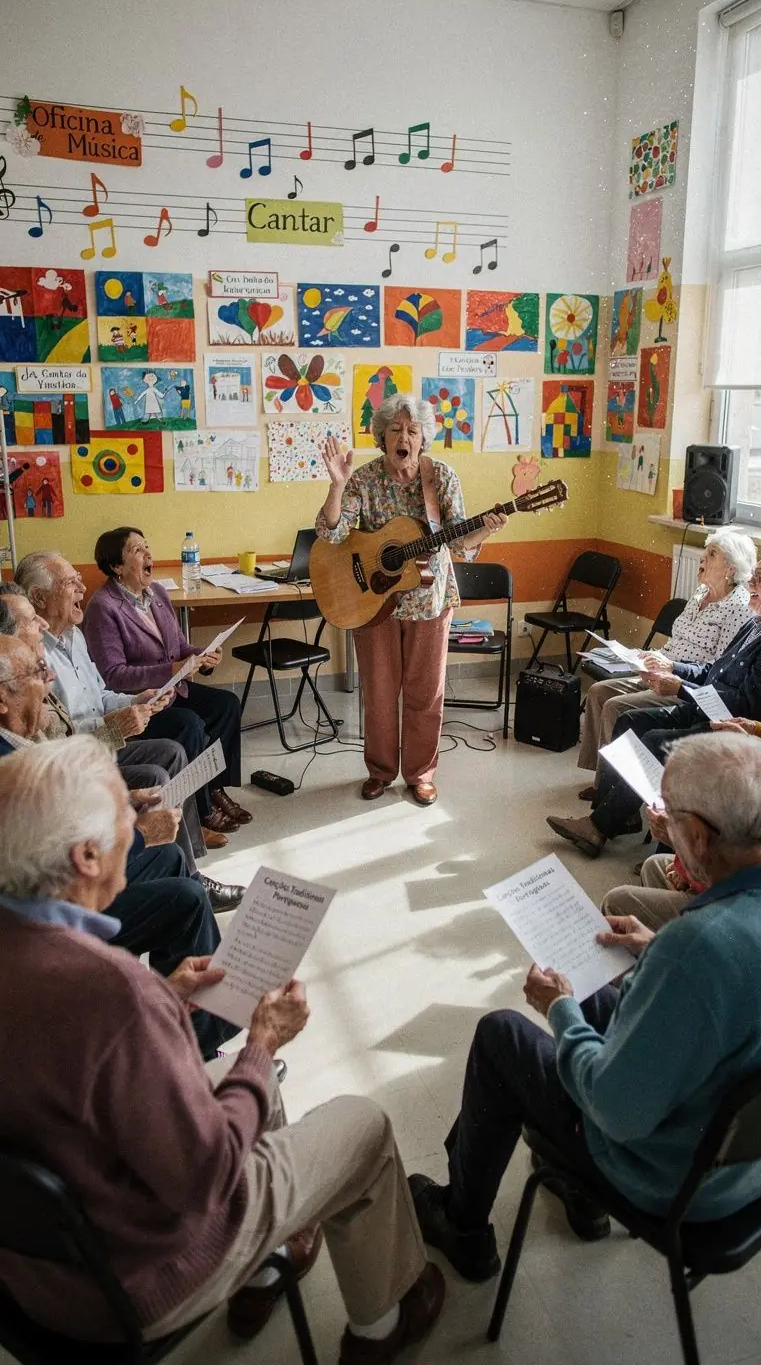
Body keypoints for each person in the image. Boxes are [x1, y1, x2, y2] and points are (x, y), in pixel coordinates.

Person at [0, 736, 444, 1357]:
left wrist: (165, 998)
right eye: (123, 813)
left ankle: (269, 1264)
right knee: (359, 1125)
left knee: (236, 1073)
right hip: (137, 1279)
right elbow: (205, 1177)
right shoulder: (112, 992)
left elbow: (63, 1061)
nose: (139, 822)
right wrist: (263, 1042)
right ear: (87, 856)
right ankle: (383, 1326)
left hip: (29, 1277)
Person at [409, 733, 761, 1279]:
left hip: (676, 1179)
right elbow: (756, 991)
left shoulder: (697, 947)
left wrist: (559, 1010)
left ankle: (463, 1224)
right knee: (600, 989)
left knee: (502, 1034)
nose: (660, 824)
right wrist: (655, 950)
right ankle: (582, 1200)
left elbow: (614, 1109)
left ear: (696, 835)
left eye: (667, 816)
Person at [0, 644, 240, 1058]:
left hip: (55, 881)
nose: (50, 677)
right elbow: (60, 865)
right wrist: (139, 831)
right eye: (39, 671)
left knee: (172, 859)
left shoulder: (16, 739)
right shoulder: (8, 764)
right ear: (3, 697)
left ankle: (196, 1028)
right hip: (41, 920)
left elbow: (61, 807)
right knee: (185, 900)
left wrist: (124, 804)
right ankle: (198, 1052)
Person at [548, 548, 761, 858]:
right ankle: (617, 814)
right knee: (629, 720)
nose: (751, 583)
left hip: (731, 725)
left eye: (760, 578)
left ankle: (601, 826)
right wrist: (674, 669)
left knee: (655, 742)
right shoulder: (758, 622)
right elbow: (714, 670)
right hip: (707, 707)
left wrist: (681, 688)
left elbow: (748, 705)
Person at [317, 393, 507, 806]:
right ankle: (380, 772)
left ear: (424, 438)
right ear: (381, 436)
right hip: (373, 604)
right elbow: (332, 533)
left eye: (412, 430)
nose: (404, 437)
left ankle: (421, 773)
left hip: (430, 602)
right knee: (379, 694)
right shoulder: (363, 480)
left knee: (426, 693)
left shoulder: (440, 478)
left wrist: (485, 530)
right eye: (395, 429)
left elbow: (459, 542)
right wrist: (337, 485)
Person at [14, 552, 232, 851]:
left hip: (107, 738)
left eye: (80, 578)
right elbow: (56, 735)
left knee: (180, 743)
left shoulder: (75, 636)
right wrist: (115, 724)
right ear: (38, 598)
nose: (81, 588)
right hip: (81, 753)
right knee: (170, 752)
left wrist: (135, 699)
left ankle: (189, 849)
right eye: (70, 582)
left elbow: (101, 694)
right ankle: (171, 853)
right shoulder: (35, 658)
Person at [605, 642, 761, 926]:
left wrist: (683, 850)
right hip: (757, 899)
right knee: (656, 866)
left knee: (617, 901)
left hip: (748, 921)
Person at [82, 528, 250, 835]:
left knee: (226, 705)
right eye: (136, 551)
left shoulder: (157, 593)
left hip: (173, 687)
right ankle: (199, 813)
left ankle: (215, 787)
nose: (148, 555)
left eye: (147, 547)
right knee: (189, 724)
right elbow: (113, 676)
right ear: (117, 566)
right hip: (140, 701)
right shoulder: (103, 608)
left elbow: (180, 648)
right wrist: (171, 668)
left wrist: (203, 655)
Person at [577, 527, 755, 793]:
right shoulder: (699, 594)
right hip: (659, 668)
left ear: (730, 568)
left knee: (615, 707)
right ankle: (603, 774)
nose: (702, 559)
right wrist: (651, 656)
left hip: (681, 683)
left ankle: (610, 789)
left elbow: (719, 666)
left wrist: (670, 670)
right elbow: (676, 640)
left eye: (711, 554)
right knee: (598, 691)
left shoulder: (739, 609)